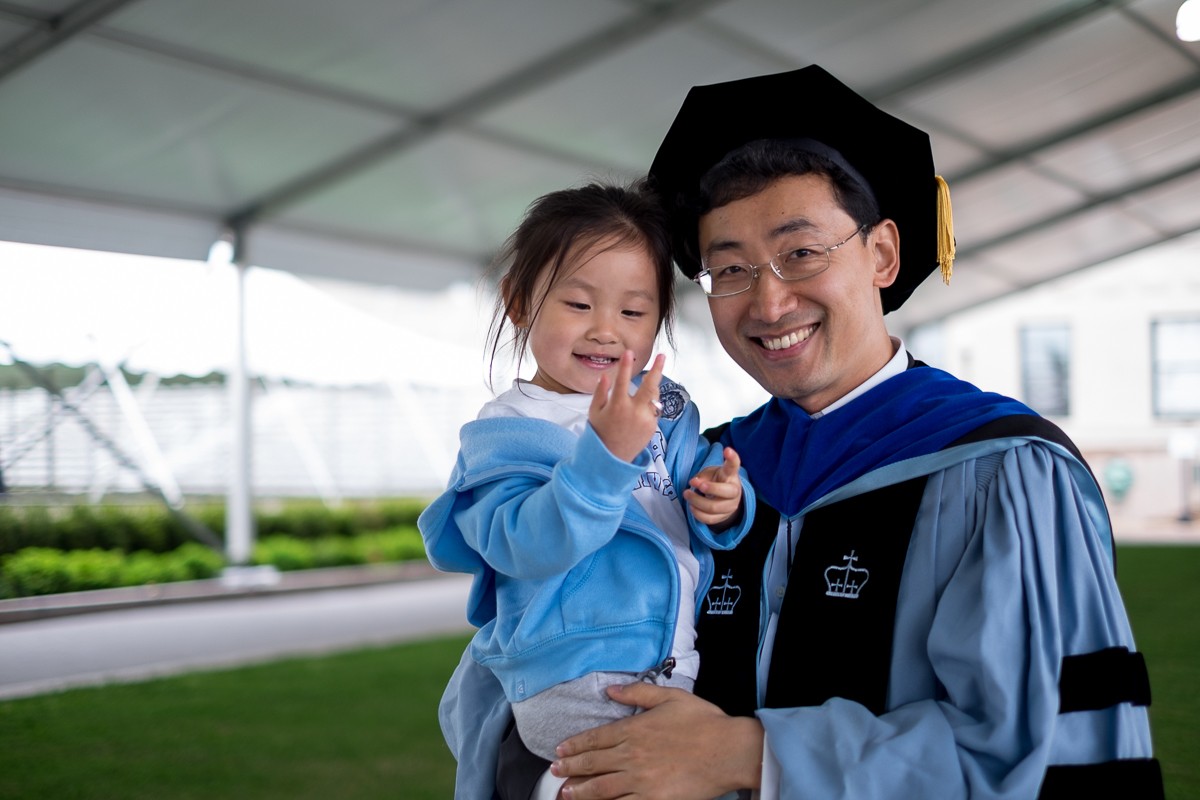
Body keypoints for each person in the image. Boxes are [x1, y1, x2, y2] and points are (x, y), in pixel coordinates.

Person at [445, 65, 1163, 800]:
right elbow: (510, 683)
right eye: (729, 269)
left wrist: (749, 754)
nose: (768, 299)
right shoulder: (698, 468)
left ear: (882, 254)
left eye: (801, 252)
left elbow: (1046, 749)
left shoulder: (1001, 469)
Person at [420, 179, 755, 797]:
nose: (606, 331)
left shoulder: (667, 410)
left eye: (633, 312)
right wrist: (604, 458)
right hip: (572, 673)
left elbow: (696, 492)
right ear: (519, 303)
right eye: (579, 305)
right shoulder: (509, 431)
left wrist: (723, 500)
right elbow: (523, 545)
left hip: (672, 663)